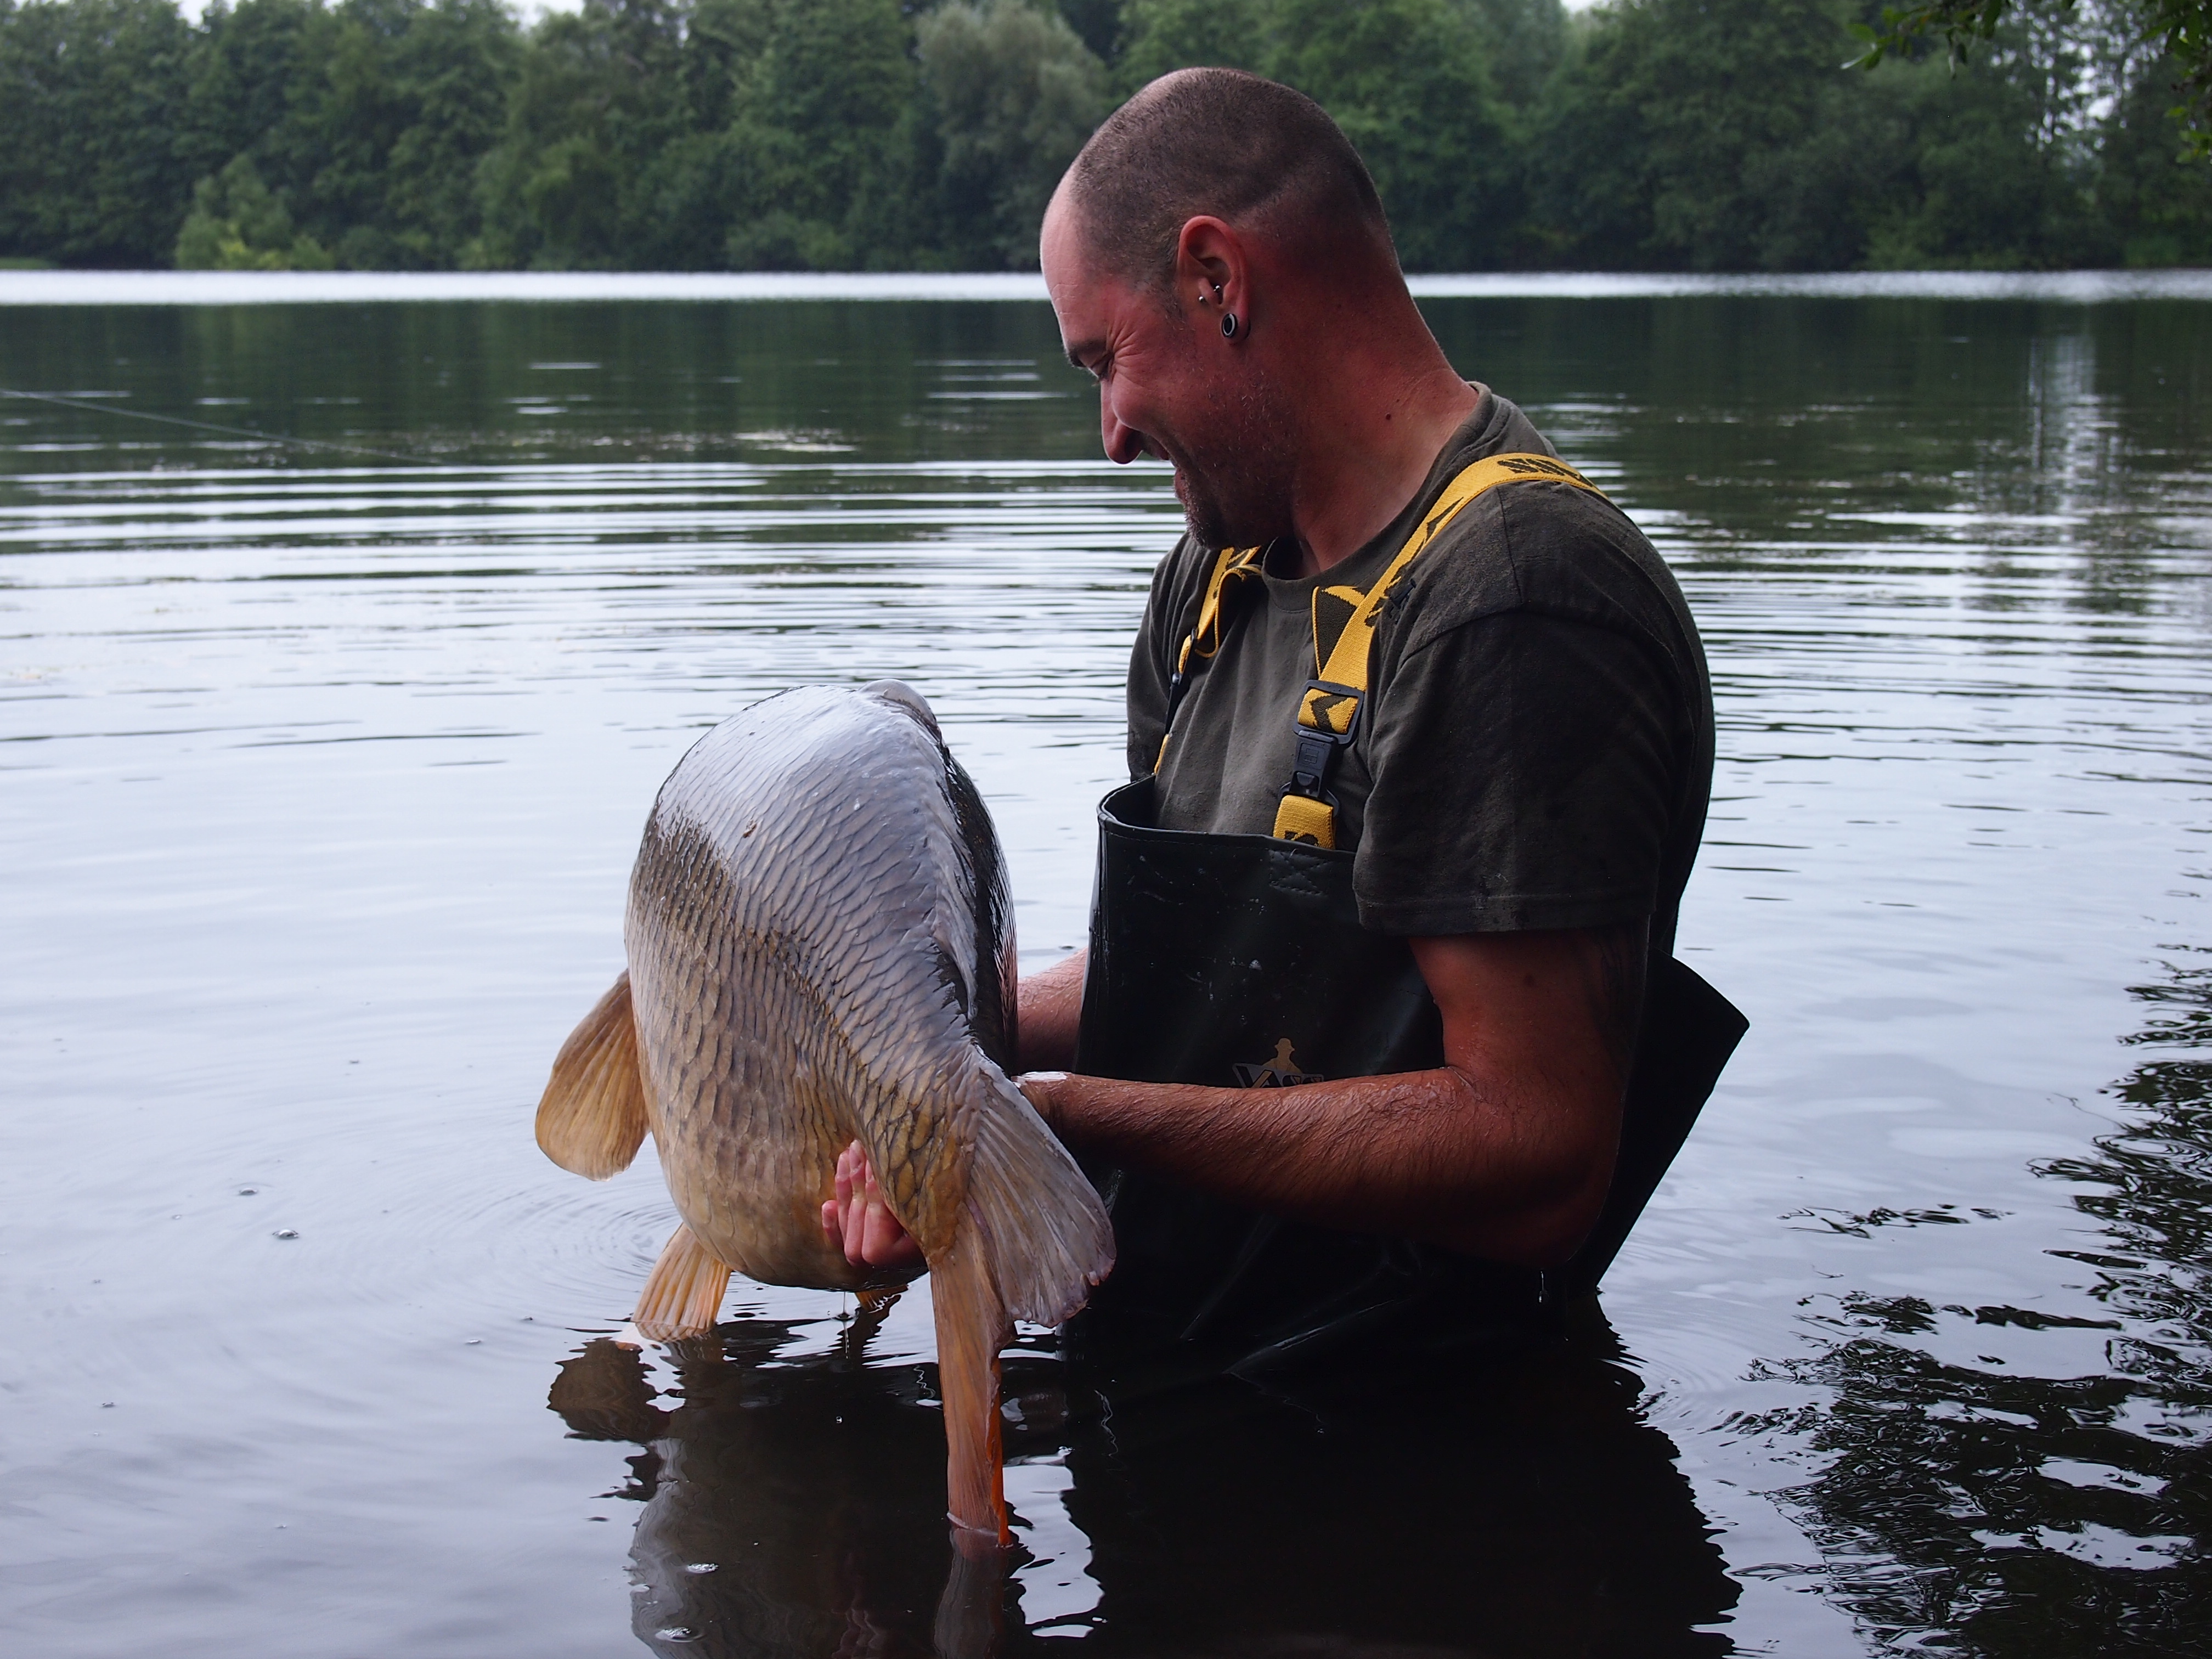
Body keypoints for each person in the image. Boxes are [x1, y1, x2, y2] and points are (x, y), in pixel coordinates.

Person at [825, 67, 1742, 1373]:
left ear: (1217, 278)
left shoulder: (1517, 600)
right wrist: (915, 1052)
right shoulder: (1218, 575)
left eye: (1108, 360)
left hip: (1402, 1451)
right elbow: (1196, 994)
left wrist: (1063, 1124)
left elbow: (1535, 1154)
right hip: (1171, 1374)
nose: (1111, 436)